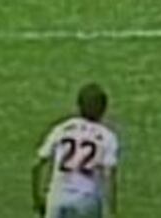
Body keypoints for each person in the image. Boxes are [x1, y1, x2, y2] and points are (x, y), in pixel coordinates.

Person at [32, 83, 120, 218]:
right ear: (104, 109)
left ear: (78, 106)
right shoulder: (107, 136)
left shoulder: (62, 128)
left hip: (57, 197)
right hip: (86, 200)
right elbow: (109, 175)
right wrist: (111, 211)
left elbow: (37, 164)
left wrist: (37, 198)